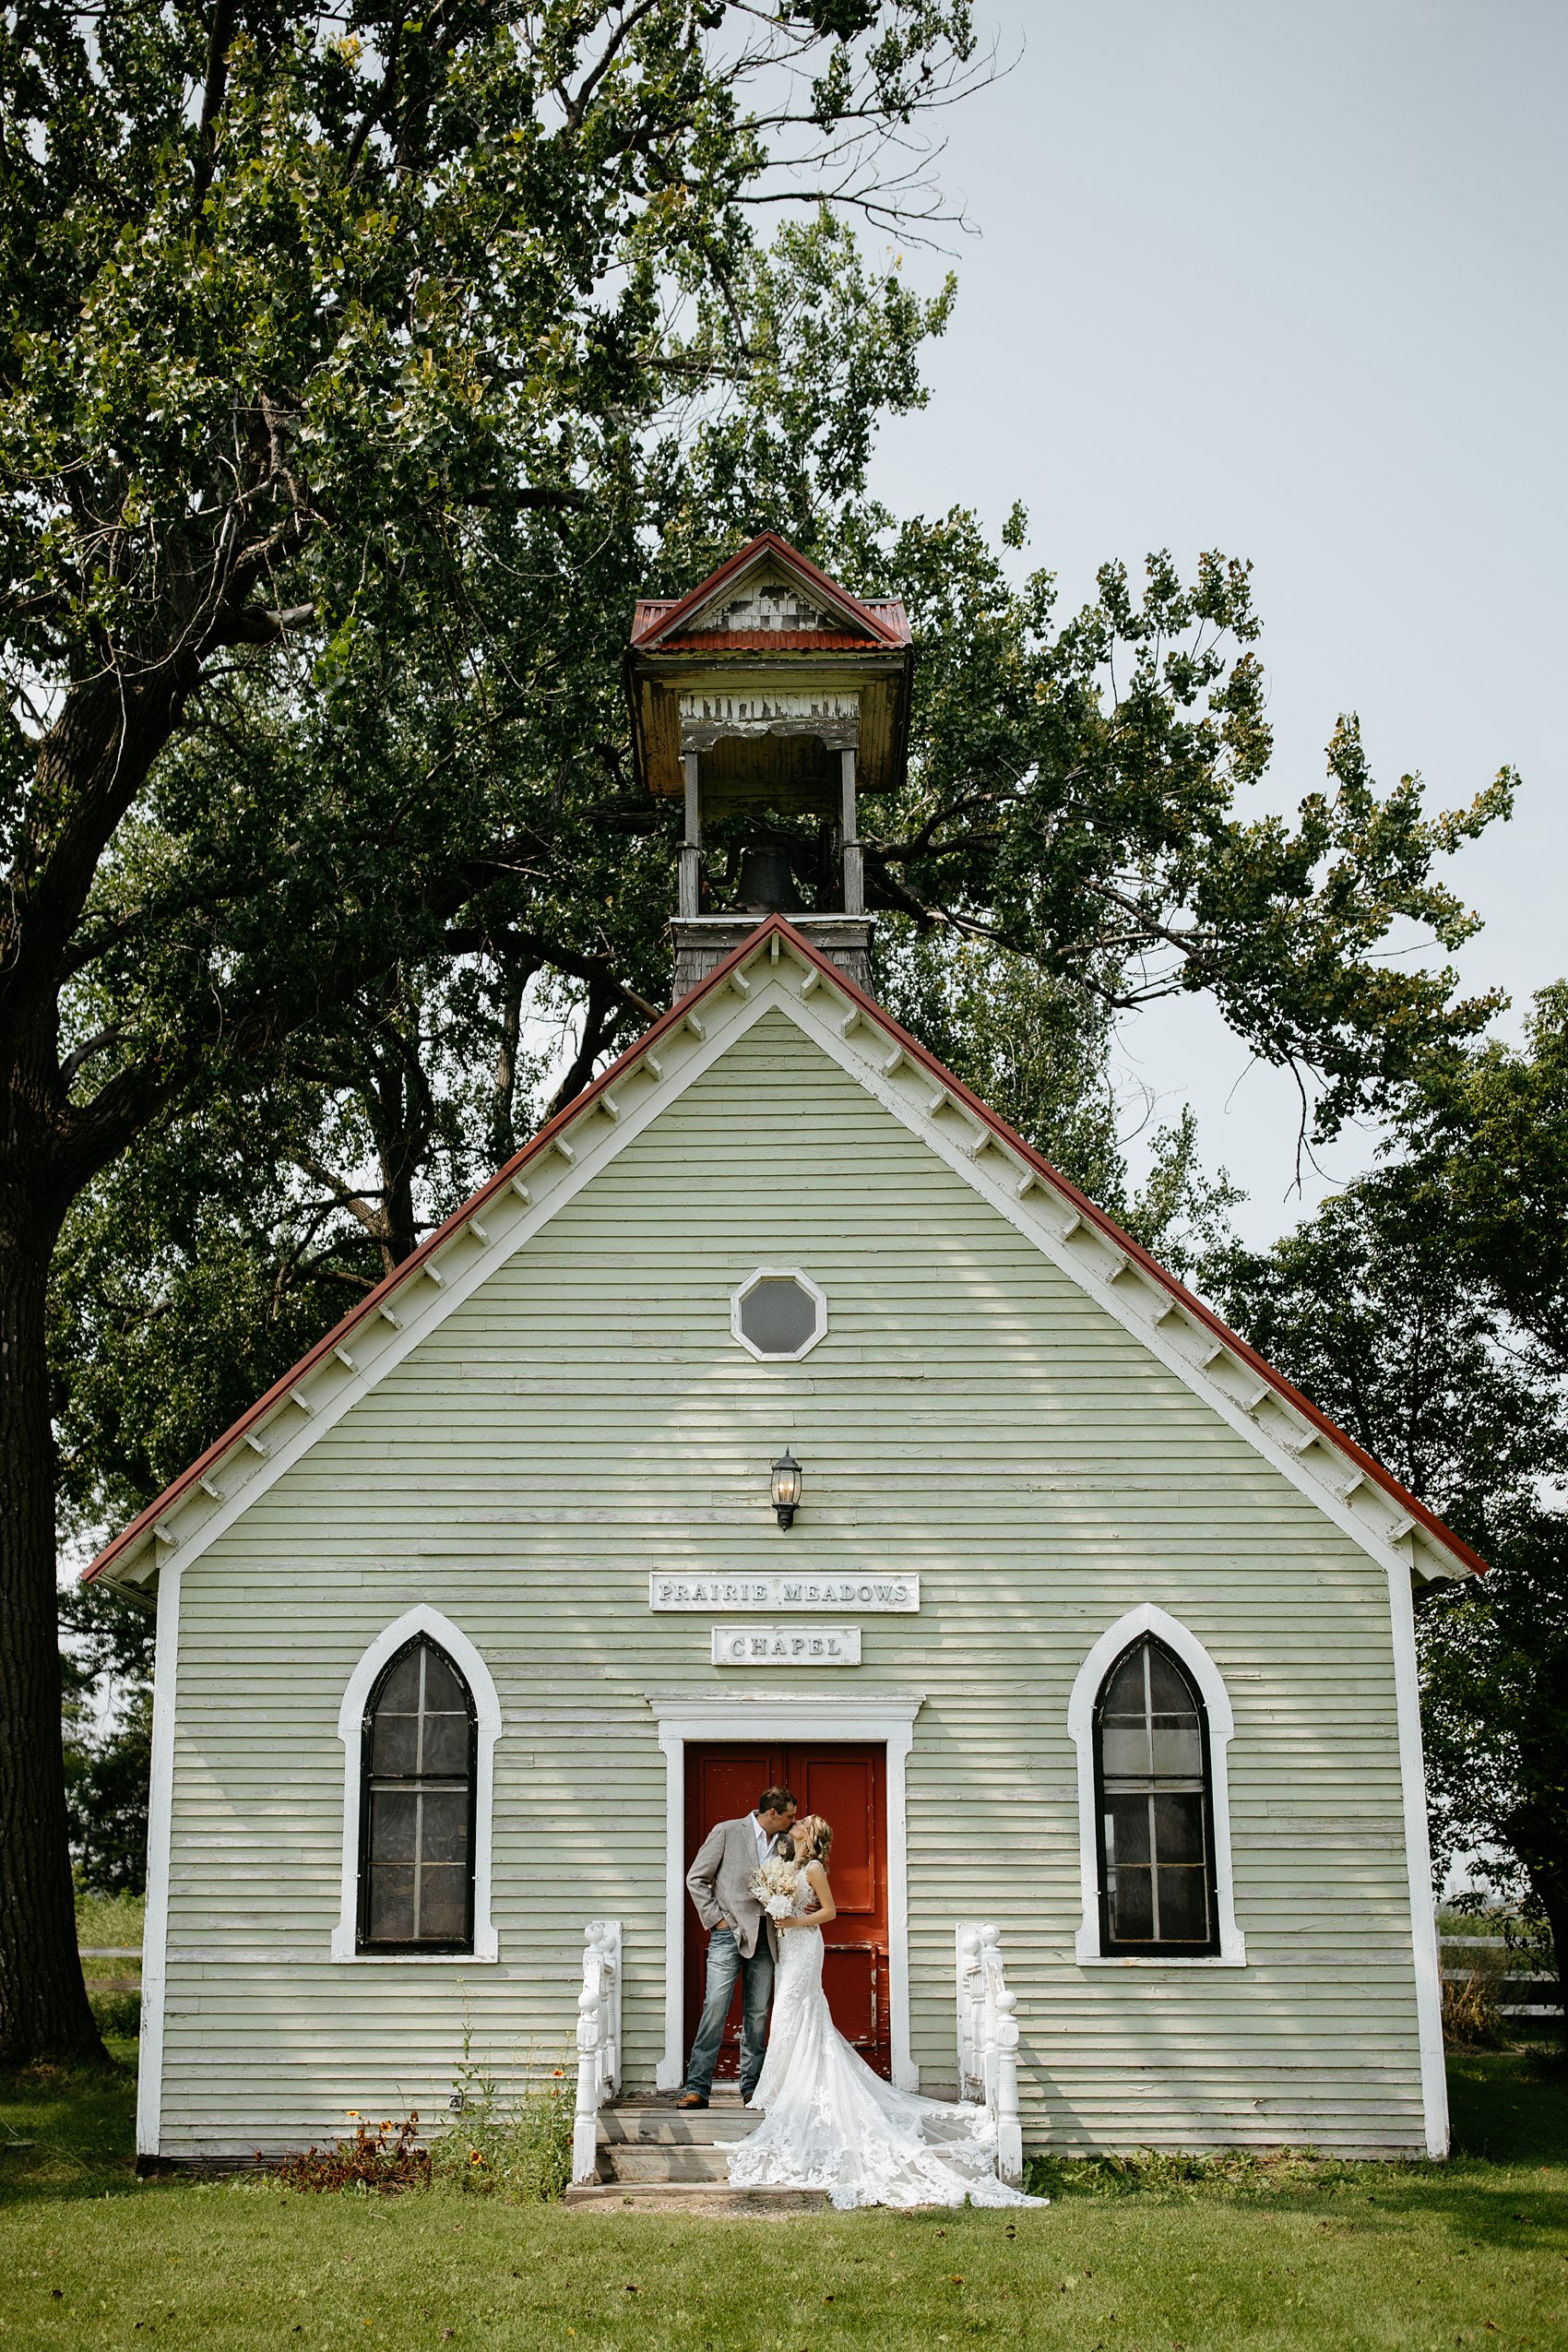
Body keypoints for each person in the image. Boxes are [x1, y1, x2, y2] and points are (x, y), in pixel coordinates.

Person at [728, 1812, 1049, 2210]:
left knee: (798, 2009)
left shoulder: (812, 1867)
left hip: (806, 1944)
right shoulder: (789, 1863)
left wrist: (793, 1920)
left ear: (809, 1835)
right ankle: (779, 2084)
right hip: (789, 1948)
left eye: (802, 1822)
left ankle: (791, 2085)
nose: (795, 1823)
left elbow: (829, 1912)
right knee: (787, 2014)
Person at [678, 1785, 799, 2108]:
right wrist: (717, 1920)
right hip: (728, 1934)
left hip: (766, 1938)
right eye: (789, 1816)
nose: (792, 1821)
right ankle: (698, 2088)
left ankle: (753, 2088)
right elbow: (696, 1878)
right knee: (715, 2007)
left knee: (757, 2014)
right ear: (772, 1813)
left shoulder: (786, 1842)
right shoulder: (728, 1831)